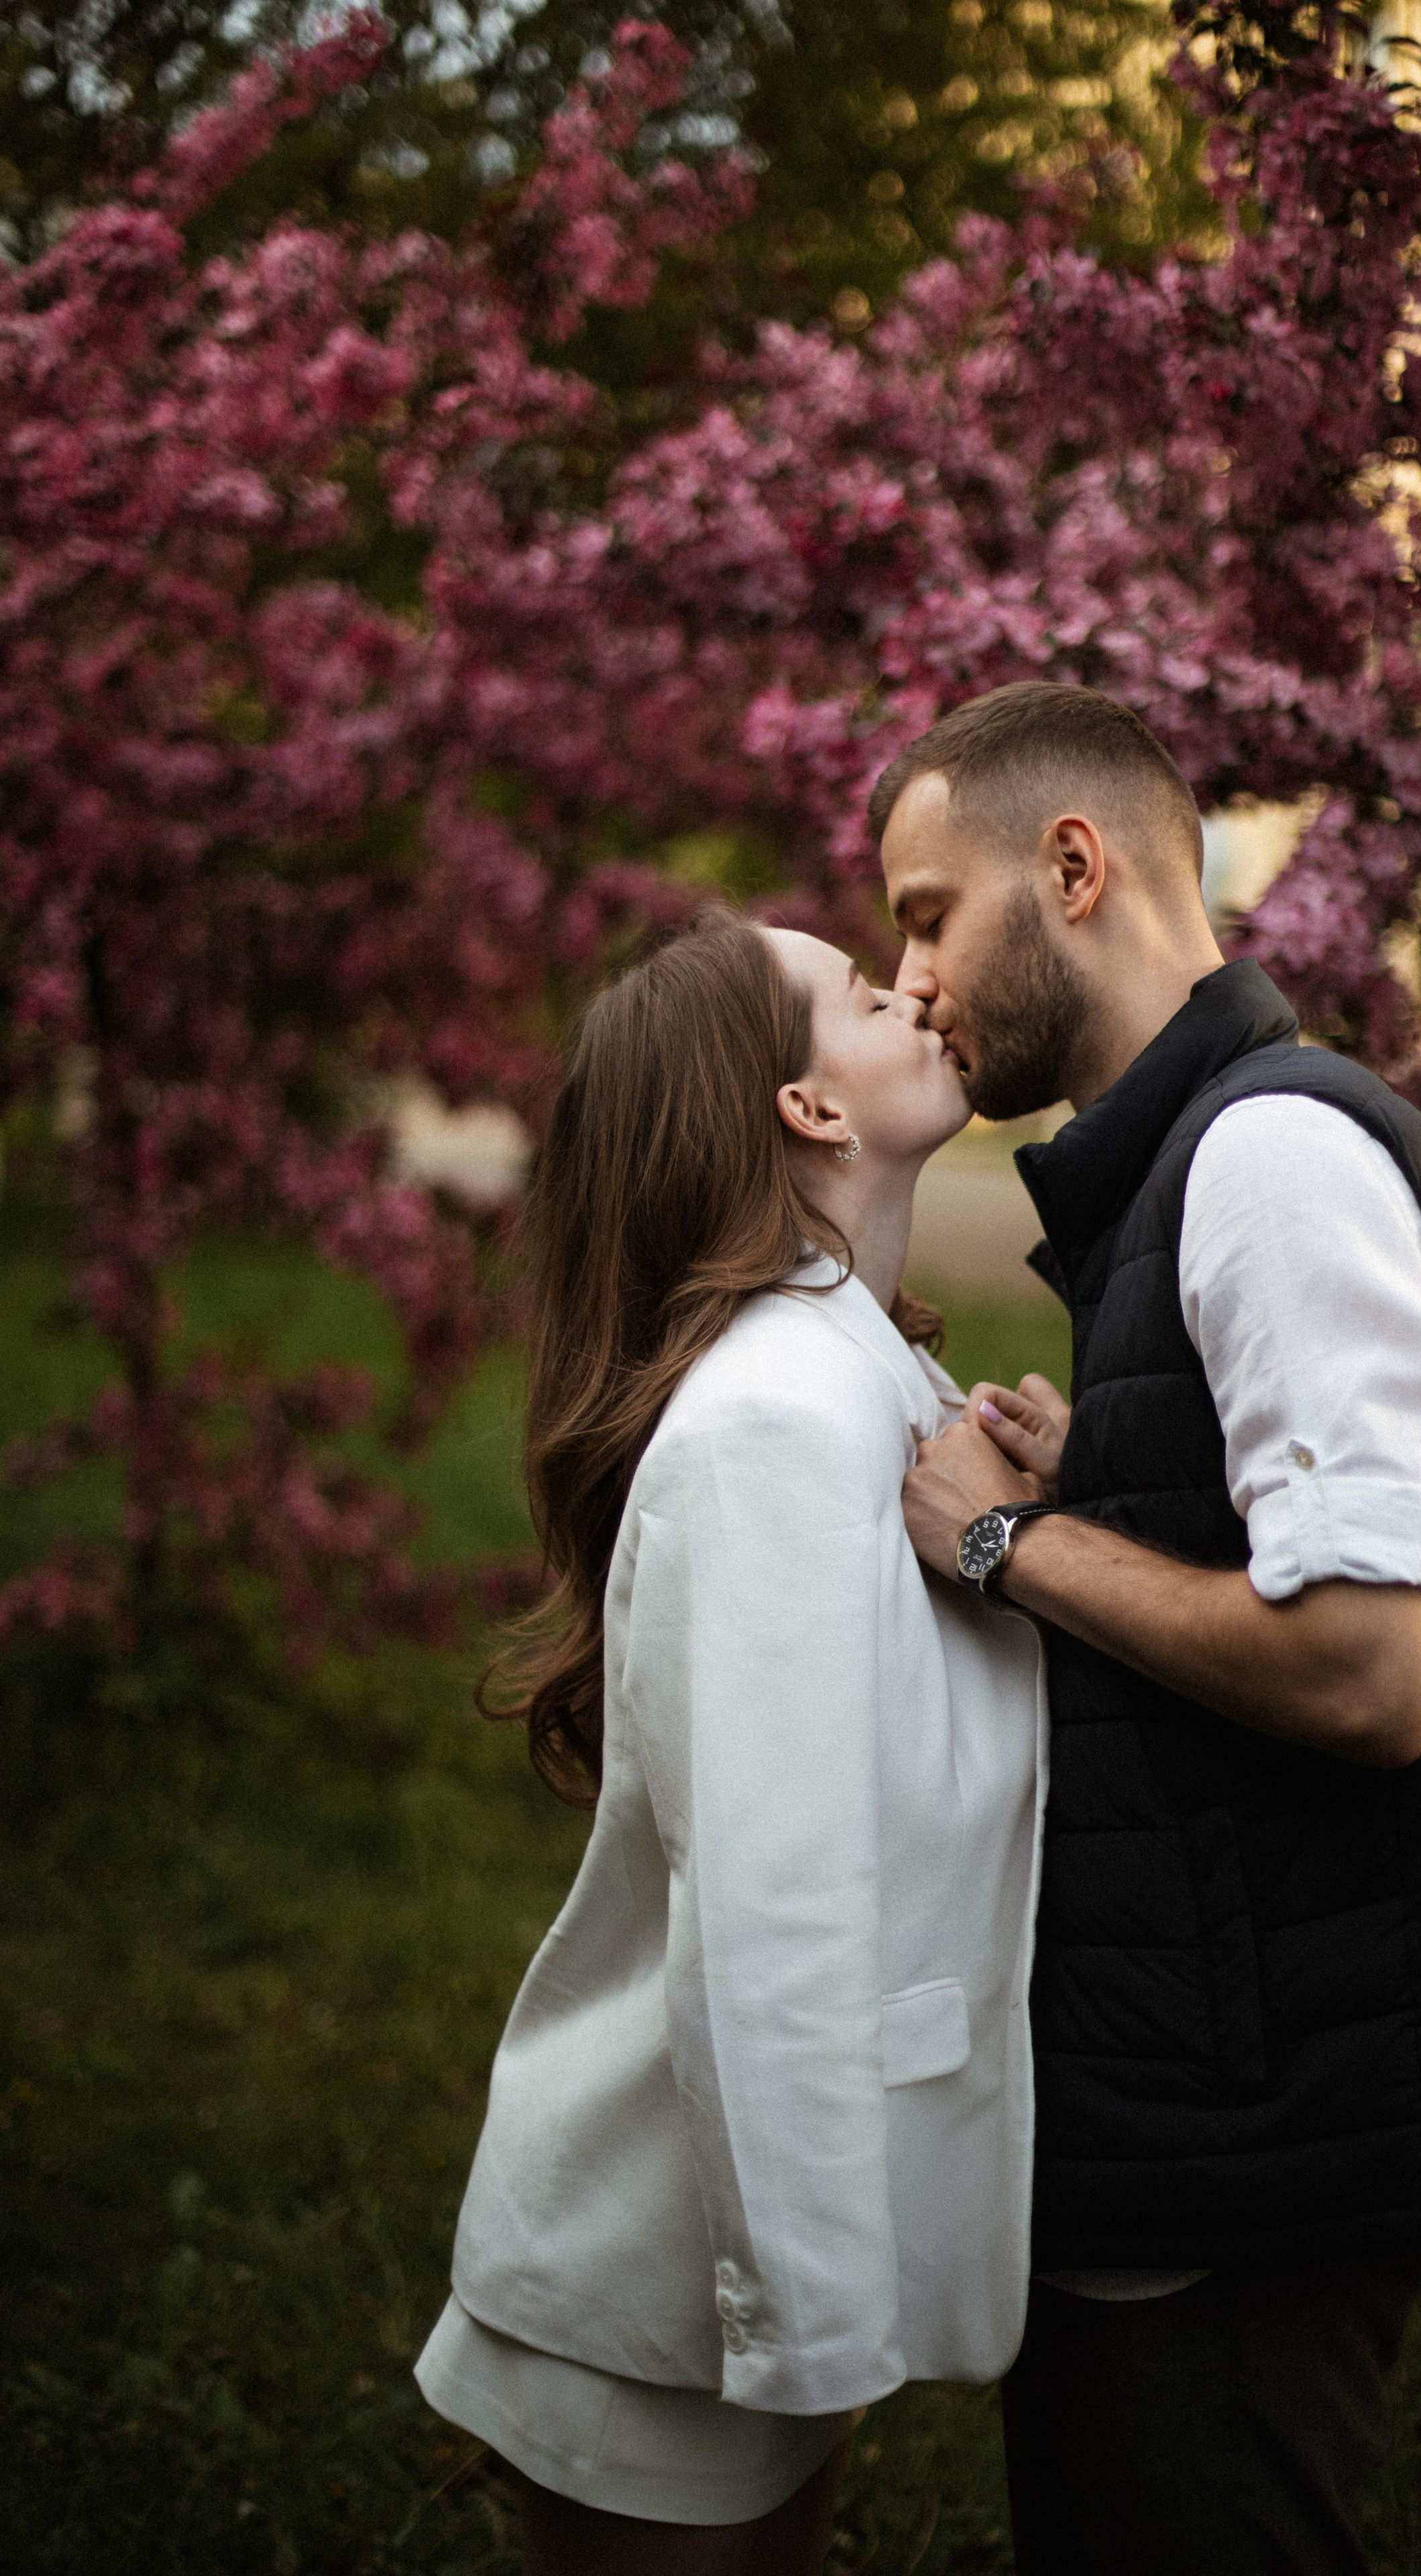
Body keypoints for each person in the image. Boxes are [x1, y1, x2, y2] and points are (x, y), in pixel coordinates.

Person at [877, 682, 1421, 2576]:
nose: (910, 983)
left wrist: (1014, 1549)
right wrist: (1114, 1496)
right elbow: (1284, 1543)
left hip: (1264, 2129)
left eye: (922, 913)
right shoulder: (1190, 1167)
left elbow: (1378, 1671)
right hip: (1224, 2093)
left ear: (1071, 866)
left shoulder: (1269, 1162)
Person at [414, 907, 1048, 2576]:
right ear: (810, 1111)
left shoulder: (864, 1375)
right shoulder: (773, 1420)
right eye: (856, 987)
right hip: (674, 2284)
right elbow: (764, 1923)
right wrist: (823, 2319)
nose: (911, 981)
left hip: (756, 2261)